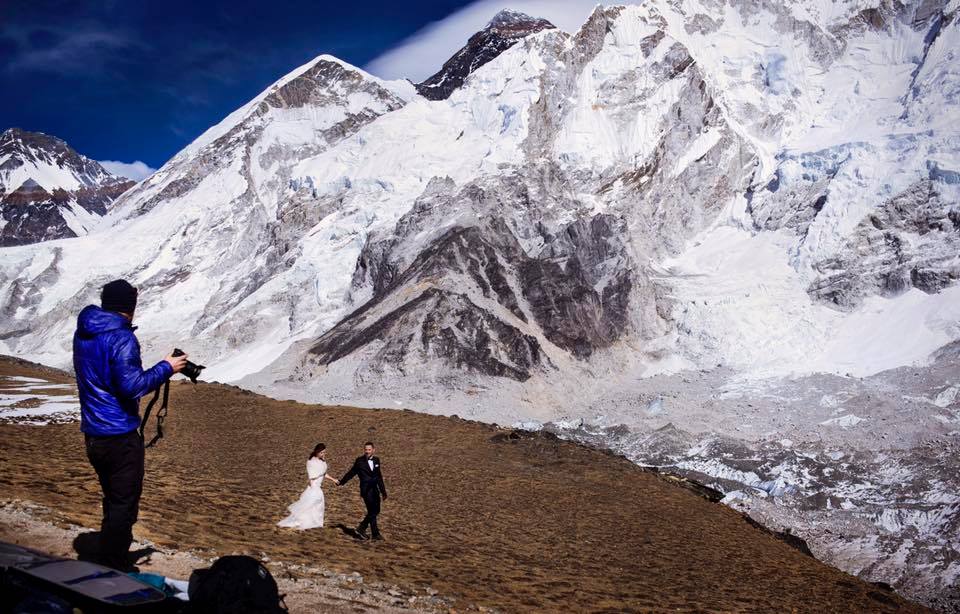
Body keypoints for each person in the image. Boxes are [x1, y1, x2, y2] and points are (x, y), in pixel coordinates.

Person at [73, 279, 187, 570]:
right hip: (119, 435)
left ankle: (107, 555)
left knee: (112, 498)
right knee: (124, 504)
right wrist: (167, 368)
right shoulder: (121, 338)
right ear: (131, 306)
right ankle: (113, 567)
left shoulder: (84, 331)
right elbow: (132, 387)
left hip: (93, 434)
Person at [278, 443, 338, 530]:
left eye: (324, 452)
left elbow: (323, 474)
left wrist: (334, 480)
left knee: (317, 505)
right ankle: (306, 521)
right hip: (314, 487)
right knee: (310, 505)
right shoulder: (311, 462)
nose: (323, 454)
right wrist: (313, 488)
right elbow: (312, 477)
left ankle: (315, 522)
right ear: (317, 452)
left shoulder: (322, 461)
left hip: (318, 487)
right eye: (322, 452)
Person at [337, 441, 387, 540]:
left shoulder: (377, 460)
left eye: (369, 450)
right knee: (372, 510)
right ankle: (374, 533)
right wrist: (341, 482)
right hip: (366, 490)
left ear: (373, 450)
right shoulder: (359, 461)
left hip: (375, 489)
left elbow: (379, 476)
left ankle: (364, 528)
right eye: (366, 450)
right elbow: (352, 472)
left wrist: (383, 491)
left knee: (376, 510)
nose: (367, 451)